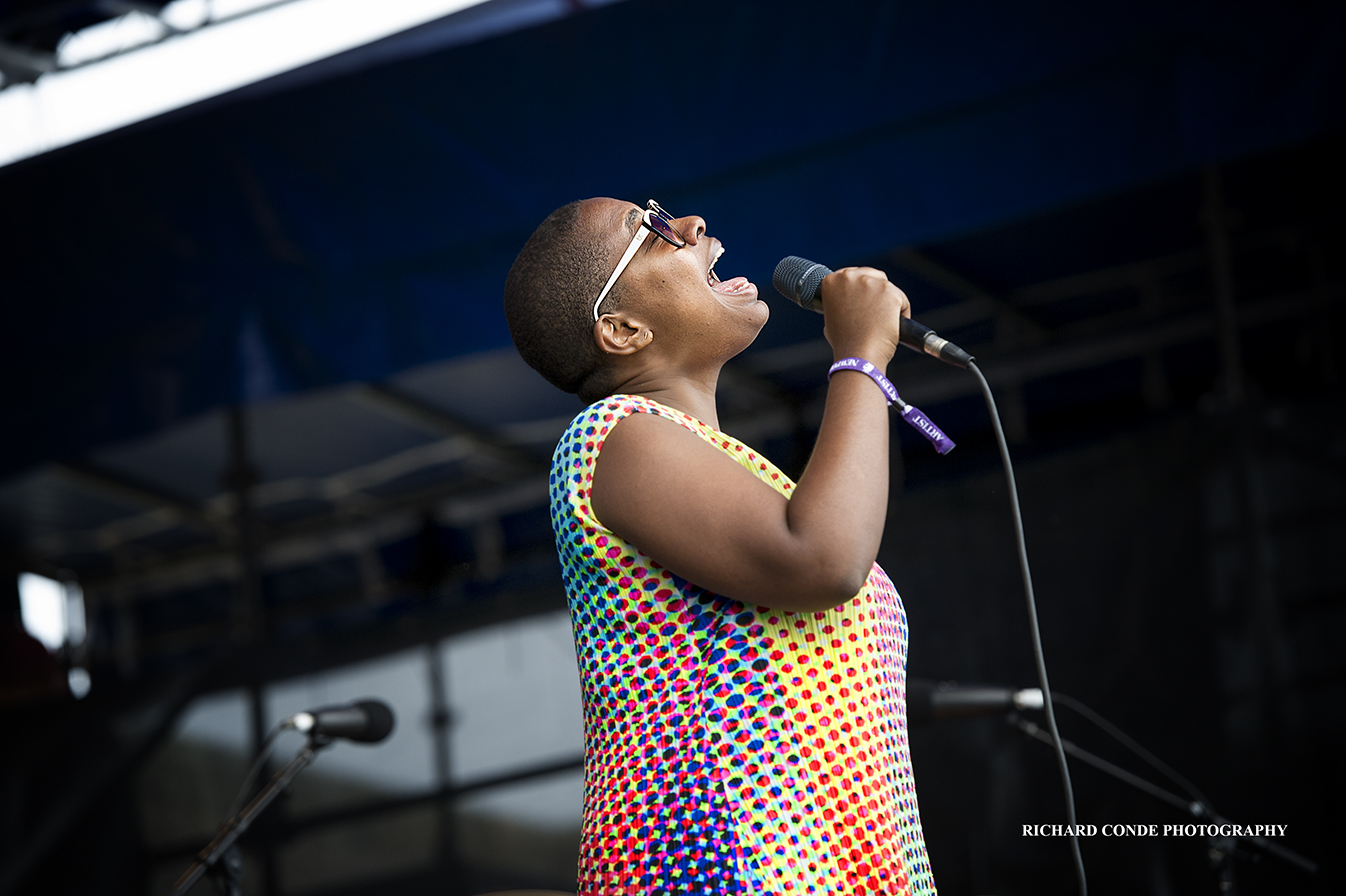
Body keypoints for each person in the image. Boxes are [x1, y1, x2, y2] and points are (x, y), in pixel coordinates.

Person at [503, 198, 936, 895]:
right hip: (718, 864)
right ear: (621, 329)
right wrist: (860, 358)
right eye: (650, 230)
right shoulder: (613, 435)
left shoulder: (719, 467)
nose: (691, 225)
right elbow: (824, 559)